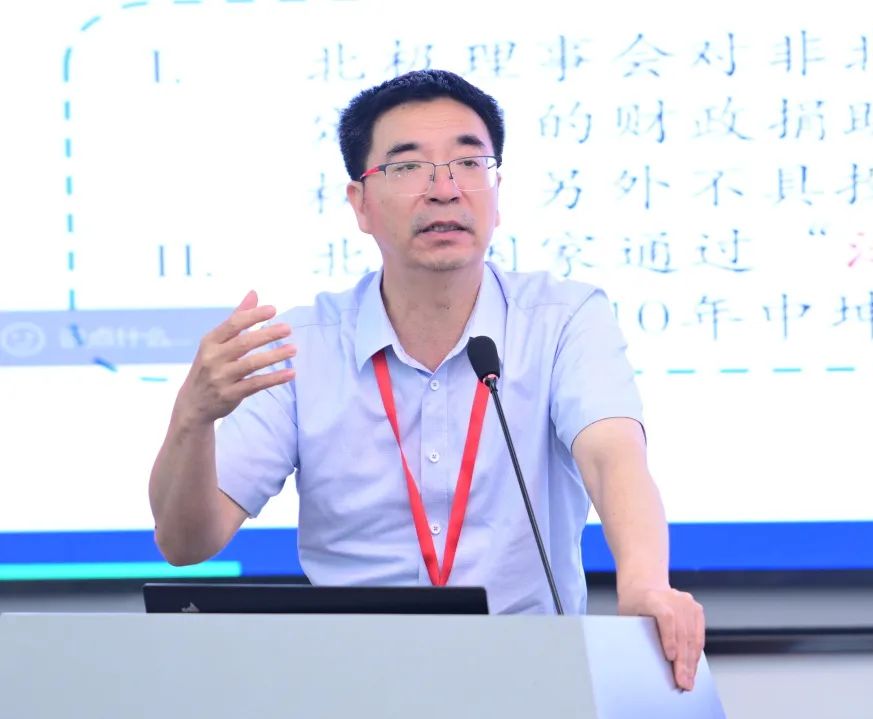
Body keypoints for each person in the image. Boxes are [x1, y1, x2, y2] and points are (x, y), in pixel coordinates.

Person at [149, 69, 705, 690]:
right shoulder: (302, 346)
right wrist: (192, 418)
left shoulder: (564, 319)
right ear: (360, 203)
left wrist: (645, 584)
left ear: (497, 192)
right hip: (347, 685)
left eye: (469, 162)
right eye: (409, 167)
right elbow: (185, 542)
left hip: (528, 680)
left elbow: (612, 457)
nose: (445, 189)